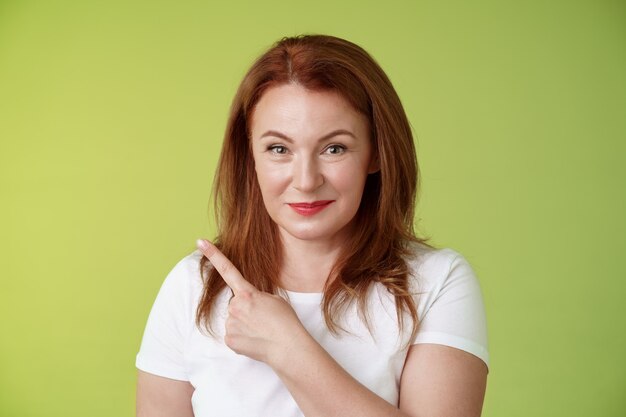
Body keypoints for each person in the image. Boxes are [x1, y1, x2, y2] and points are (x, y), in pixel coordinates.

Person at [135, 34, 489, 417]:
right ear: (250, 155)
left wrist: (289, 348)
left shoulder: (436, 282)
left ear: (375, 153)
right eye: (278, 149)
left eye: (334, 148)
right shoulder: (192, 288)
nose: (305, 180)